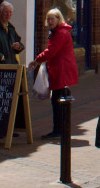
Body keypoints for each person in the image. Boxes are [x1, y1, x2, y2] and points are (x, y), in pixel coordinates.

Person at [28, 8, 78, 140]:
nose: (50, 21)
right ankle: (60, 129)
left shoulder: (61, 33)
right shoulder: (57, 32)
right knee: (58, 101)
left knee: (58, 102)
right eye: (48, 19)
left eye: (52, 19)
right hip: (59, 70)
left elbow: (51, 51)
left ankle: (59, 130)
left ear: (58, 19)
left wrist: (36, 60)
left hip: (61, 71)